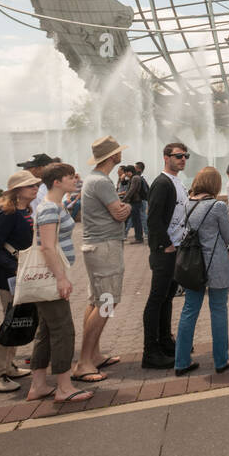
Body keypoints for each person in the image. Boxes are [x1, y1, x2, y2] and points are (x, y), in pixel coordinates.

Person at [26, 163, 92, 404]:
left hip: (53, 276)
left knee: (45, 330)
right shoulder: (49, 209)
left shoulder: (55, 206)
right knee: (63, 330)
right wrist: (61, 278)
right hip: (52, 277)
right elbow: (46, 246)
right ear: (56, 181)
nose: (75, 179)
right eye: (69, 176)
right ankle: (64, 387)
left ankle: (39, 384)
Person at [75, 135, 132, 381]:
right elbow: (119, 214)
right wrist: (126, 208)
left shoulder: (93, 179)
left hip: (95, 246)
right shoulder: (102, 182)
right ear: (112, 157)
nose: (121, 154)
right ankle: (85, 362)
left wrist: (121, 208)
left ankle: (93, 355)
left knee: (96, 300)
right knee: (108, 301)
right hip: (105, 246)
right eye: (118, 151)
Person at [173, 167, 229, 375]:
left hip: (193, 264)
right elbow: (228, 237)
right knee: (218, 310)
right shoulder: (217, 206)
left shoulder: (187, 203)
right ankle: (220, 360)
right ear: (214, 185)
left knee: (189, 310)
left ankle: (181, 361)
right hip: (215, 262)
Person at [0, 170, 38, 392]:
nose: (34, 188)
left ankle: (8, 366)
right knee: (10, 322)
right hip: (10, 277)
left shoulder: (25, 211)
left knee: (17, 321)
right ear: (17, 191)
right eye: (29, 186)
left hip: (22, 275)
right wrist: (17, 268)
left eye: (35, 185)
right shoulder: (7, 213)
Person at [144, 142, 189, 369]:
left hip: (176, 248)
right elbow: (153, 219)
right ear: (166, 157)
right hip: (165, 251)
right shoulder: (161, 183)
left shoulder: (176, 182)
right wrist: (165, 245)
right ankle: (150, 352)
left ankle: (165, 342)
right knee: (156, 299)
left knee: (167, 298)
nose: (182, 159)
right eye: (178, 156)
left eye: (185, 156)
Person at [124, 163, 148, 245]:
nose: (125, 174)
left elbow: (132, 190)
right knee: (136, 220)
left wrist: (124, 199)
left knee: (137, 220)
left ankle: (139, 238)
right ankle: (138, 237)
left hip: (135, 202)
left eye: (126, 172)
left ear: (129, 172)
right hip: (136, 201)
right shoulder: (135, 177)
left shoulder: (135, 178)